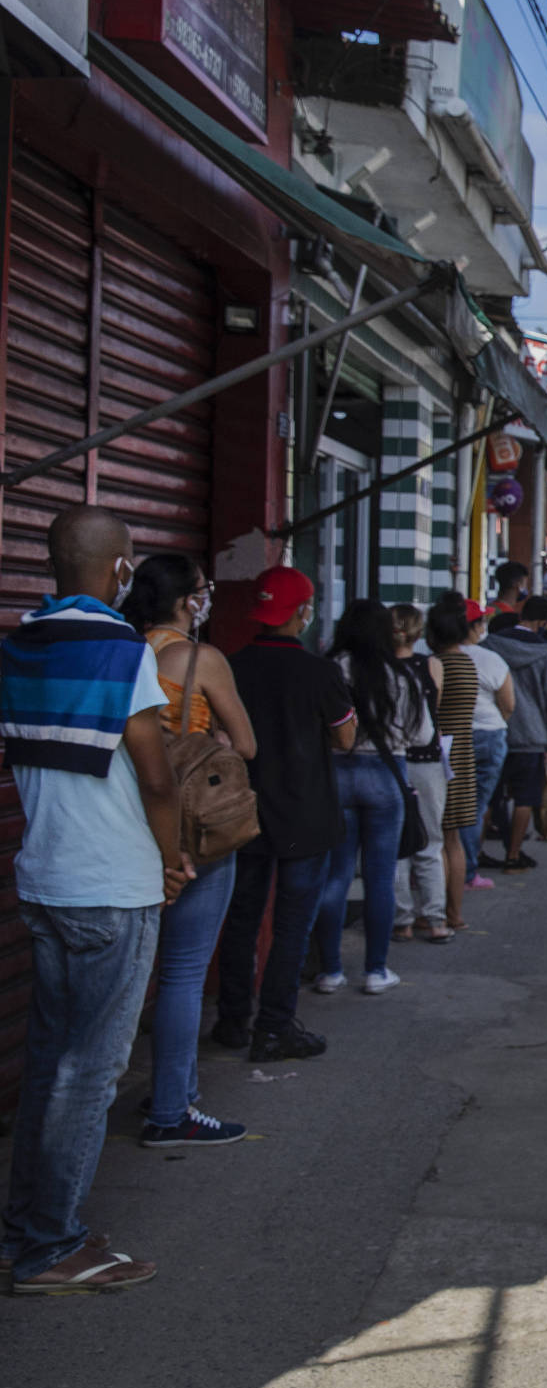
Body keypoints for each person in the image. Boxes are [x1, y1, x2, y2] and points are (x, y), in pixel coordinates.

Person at [0, 507, 187, 1292]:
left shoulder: (19, 643)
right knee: (92, 1071)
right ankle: (50, 1247)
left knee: (53, 1064)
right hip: (111, 884)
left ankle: (30, 1230)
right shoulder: (120, 649)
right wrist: (174, 855)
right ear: (120, 569)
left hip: (47, 877)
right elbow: (154, 771)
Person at [123, 555, 257, 1148]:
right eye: (204, 590)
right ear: (185, 601)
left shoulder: (126, 652)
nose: (208, 599)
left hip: (127, 822)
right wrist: (218, 739)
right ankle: (172, 1109)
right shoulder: (200, 659)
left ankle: (168, 1089)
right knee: (181, 973)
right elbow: (246, 744)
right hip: (193, 831)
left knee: (140, 967)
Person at [215, 566, 355, 1061]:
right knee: (293, 923)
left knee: (241, 918)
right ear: (301, 613)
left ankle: (232, 1020)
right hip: (305, 814)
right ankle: (274, 1027)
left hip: (242, 813)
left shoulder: (230, 666)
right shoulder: (320, 672)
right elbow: (345, 737)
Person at [310, 602, 417, 996]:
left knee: (335, 875)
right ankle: (375, 970)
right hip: (386, 776)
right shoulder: (399, 672)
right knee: (380, 877)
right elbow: (419, 734)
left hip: (336, 773)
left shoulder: (329, 666)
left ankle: (331, 971)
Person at [484, 595, 547, 869]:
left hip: (493, 729)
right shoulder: (546, 654)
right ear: (543, 622)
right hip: (531, 736)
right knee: (525, 799)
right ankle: (513, 855)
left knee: (488, 797)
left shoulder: (491, 645)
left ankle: (476, 853)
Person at [423, 597, 484, 937]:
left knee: (438, 840)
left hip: (441, 755)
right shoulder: (468, 662)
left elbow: (432, 712)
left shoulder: (437, 664)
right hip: (463, 752)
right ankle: (455, 913)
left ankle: (439, 914)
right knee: (453, 839)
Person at [388, 605, 446, 941]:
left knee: (397, 845)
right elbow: (435, 710)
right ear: (418, 632)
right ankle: (436, 919)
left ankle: (402, 920)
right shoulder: (431, 665)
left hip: (392, 760)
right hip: (427, 760)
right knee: (430, 841)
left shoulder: (380, 668)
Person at [460, 600, 516, 872]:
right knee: (476, 806)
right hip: (488, 735)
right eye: (481, 622)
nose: (483, 626)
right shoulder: (490, 659)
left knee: (448, 808)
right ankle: (468, 870)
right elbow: (508, 704)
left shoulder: (435, 657)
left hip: (450, 738)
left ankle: (449, 867)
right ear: (473, 627)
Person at [488, 560, 530, 631]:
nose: (526, 588)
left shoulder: (489, 609)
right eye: (524, 584)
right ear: (516, 584)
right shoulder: (508, 617)